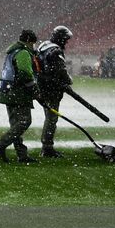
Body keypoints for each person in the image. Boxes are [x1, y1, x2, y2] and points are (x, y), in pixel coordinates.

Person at [0, 29, 40, 163]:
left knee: (16, 125)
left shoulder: (12, 51)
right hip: (18, 93)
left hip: (7, 91)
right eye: (33, 43)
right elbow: (25, 73)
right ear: (30, 41)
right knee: (24, 122)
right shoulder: (23, 52)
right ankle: (0, 145)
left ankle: (22, 155)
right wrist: (34, 90)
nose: (34, 46)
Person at [34, 26, 74, 159]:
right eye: (66, 39)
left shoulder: (44, 46)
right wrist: (68, 81)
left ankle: (46, 146)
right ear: (61, 38)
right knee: (51, 119)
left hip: (41, 86)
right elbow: (61, 70)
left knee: (50, 117)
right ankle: (47, 148)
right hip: (52, 88)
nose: (66, 42)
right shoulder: (56, 51)